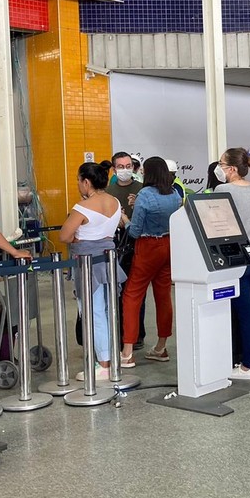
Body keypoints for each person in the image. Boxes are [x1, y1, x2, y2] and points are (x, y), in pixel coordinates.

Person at [59, 161, 125, 381]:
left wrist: (77, 238)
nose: (78, 185)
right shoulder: (115, 202)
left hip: (88, 265)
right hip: (108, 261)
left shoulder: (82, 207)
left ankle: (103, 364)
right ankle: (110, 358)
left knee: (93, 313)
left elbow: (64, 236)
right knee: (107, 310)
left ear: (86, 182)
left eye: (79, 180)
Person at [214, 147, 250, 380]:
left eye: (221, 164)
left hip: (238, 258)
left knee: (244, 313)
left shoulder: (223, 190)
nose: (218, 168)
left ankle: (247, 366)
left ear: (232, 169)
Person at [121, 156, 182, 365]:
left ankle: (127, 352)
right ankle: (161, 347)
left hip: (147, 247)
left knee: (132, 295)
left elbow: (135, 231)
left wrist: (125, 220)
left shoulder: (145, 194)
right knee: (163, 296)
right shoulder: (174, 194)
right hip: (169, 245)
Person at [107, 150, 147, 349]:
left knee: (137, 291)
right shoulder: (108, 192)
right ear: (114, 170)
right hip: (114, 244)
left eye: (128, 166)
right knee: (117, 291)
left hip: (136, 244)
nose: (125, 170)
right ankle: (120, 332)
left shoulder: (142, 190)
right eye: (121, 167)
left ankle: (137, 334)